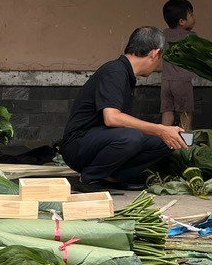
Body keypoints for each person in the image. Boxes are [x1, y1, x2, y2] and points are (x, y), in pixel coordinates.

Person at [60, 27, 188, 189]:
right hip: (77, 145)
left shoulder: (125, 74)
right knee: (132, 137)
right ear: (155, 54)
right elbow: (111, 118)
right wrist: (159, 128)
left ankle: (115, 177)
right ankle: (90, 179)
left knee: (164, 141)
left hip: (99, 140)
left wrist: (163, 132)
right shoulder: (115, 71)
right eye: (160, 58)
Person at [160, 0, 195, 131]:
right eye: (191, 14)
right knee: (186, 114)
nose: (193, 17)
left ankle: (162, 143)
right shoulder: (190, 37)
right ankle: (185, 145)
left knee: (167, 113)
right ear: (182, 21)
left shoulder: (163, 35)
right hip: (182, 81)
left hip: (165, 82)